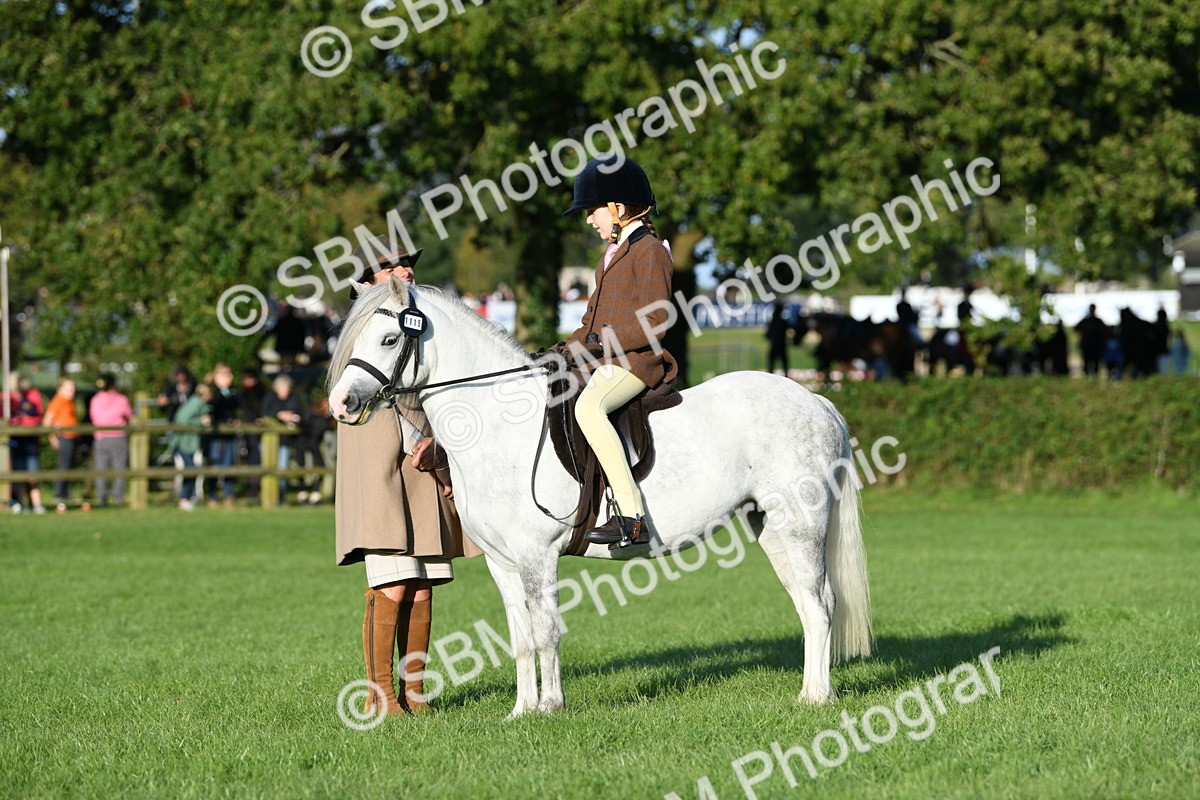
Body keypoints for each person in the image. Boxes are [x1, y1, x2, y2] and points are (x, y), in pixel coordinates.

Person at [333, 235, 481, 716]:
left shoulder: (419, 317)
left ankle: (413, 692)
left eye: (407, 264)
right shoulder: (365, 322)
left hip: (422, 462)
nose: (405, 271)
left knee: (421, 587)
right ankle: (380, 696)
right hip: (380, 464)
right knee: (392, 584)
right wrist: (420, 439)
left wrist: (440, 449)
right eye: (391, 266)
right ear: (367, 280)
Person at [554, 154, 678, 546]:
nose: (589, 220)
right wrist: (559, 351)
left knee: (588, 408)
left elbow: (657, 319)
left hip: (638, 362)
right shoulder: (609, 256)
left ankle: (630, 516)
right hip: (607, 360)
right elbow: (590, 324)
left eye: (592, 211)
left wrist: (599, 341)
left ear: (618, 209)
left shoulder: (650, 250)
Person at [88, 374, 133, 507]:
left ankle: (102, 498)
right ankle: (118, 497)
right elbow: (129, 415)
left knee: (101, 469)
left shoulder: (95, 400)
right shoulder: (121, 399)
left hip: (101, 437)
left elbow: (93, 416)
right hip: (118, 437)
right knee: (119, 468)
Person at [260, 374, 306, 503]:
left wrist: (293, 417)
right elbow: (264, 413)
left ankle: (281, 498)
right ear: (277, 388)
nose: (286, 390)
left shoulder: (294, 397)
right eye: (283, 388)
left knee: (282, 468)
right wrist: (279, 415)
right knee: (268, 469)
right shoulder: (270, 397)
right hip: (269, 442)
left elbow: (301, 412)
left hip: (285, 441)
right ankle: (269, 497)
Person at [169, 383, 212, 511]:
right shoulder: (195, 403)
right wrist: (200, 422)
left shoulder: (199, 404)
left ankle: (187, 498)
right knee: (191, 470)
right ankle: (184, 499)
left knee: (191, 469)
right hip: (183, 443)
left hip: (188, 443)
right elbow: (181, 420)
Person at [7, 373, 46, 513]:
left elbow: (37, 416)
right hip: (16, 440)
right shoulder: (8, 398)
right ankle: (19, 502)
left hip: (30, 440)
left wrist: (24, 419)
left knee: (32, 472)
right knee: (18, 471)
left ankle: (36, 504)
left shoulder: (32, 395)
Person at [205, 364, 240, 507]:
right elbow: (214, 408)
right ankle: (212, 496)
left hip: (229, 434)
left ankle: (228, 495)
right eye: (224, 374)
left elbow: (238, 408)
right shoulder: (211, 391)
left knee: (229, 463)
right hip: (215, 434)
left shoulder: (233, 391)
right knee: (214, 464)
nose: (229, 377)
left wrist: (236, 419)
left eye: (229, 374)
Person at [43, 378, 80, 512]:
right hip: (63, 437)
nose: (72, 391)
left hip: (71, 437)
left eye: (73, 388)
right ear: (60, 389)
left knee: (69, 465)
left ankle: (66, 493)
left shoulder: (68, 401)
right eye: (69, 388)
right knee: (64, 466)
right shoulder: (58, 401)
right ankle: (59, 494)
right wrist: (53, 437)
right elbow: (47, 421)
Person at [1076, 304, 1107, 377]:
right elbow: (1076, 328)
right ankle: (1088, 379)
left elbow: (1105, 331)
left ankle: (1093, 378)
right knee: (1087, 365)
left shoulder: (1098, 321)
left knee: (1095, 366)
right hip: (1087, 347)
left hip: (1096, 347)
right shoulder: (1086, 321)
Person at [765, 301, 790, 376]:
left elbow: (767, 335)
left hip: (774, 346)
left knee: (771, 367)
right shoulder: (783, 322)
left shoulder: (772, 322)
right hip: (782, 346)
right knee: (785, 367)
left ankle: (769, 379)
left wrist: (773, 339)